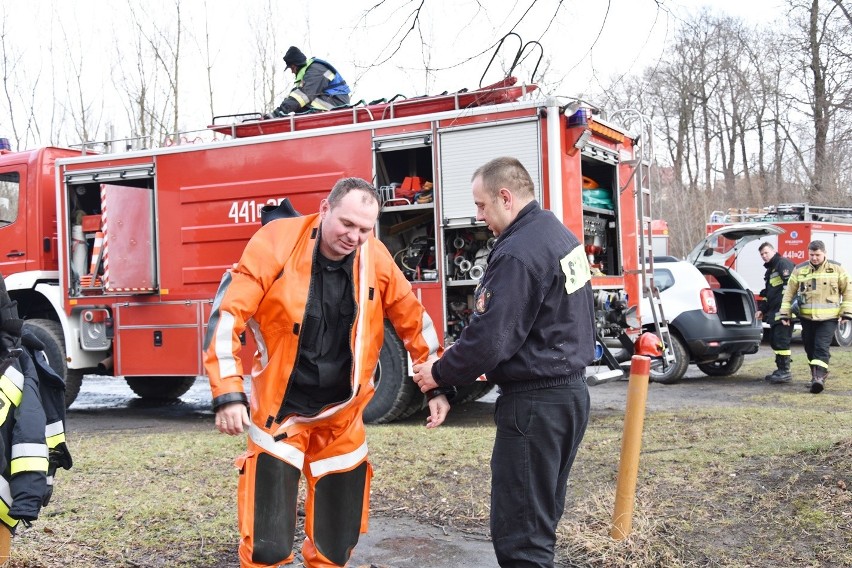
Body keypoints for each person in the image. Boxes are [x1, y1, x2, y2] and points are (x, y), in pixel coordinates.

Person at [203, 177, 449, 568]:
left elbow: (413, 320)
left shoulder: (377, 259)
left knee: (335, 547)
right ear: (324, 209)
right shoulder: (276, 243)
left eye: (365, 229)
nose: (354, 236)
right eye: (347, 224)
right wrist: (228, 394)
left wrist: (434, 382)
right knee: (267, 546)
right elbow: (227, 315)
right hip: (279, 414)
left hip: (342, 418)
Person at [412, 157, 595, 567]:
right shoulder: (561, 237)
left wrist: (437, 373)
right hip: (568, 397)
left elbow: (490, 340)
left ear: (505, 197)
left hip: (534, 405)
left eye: (481, 206)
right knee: (539, 520)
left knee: (521, 535)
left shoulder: (517, 253)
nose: (479, 217)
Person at [779, 240, 852, 393]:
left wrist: (846, 313)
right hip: (807, 318)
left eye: (817, 255)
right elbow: (788, 293)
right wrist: (785, 314)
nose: (814, 258)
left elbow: (848, 291)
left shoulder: (837, 268)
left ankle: (819, 378)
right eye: (811, 255)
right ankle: (815, 376)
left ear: (824, 253)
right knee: (810, 348)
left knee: (821, 346)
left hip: (829, 318)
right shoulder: (800, 269)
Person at [266, 46, 351, 118]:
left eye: (292, 68)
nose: (292, 72)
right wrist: (279, 110)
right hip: (332, 100)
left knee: (301, 103)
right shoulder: (310, 73)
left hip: (337, 103)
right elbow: (294, 96)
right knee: (297, 104)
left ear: (297, 65)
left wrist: (277, 114)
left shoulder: (316, 71)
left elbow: (302, 96)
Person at [756, 242, 795, 383]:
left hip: (783, 312)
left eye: (766, 253)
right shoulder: (770, 270)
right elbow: (769, 293)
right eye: (761, 254)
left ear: (773, 251)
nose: (764, 256)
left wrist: (786, 312)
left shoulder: (782, 263)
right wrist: (761, 309)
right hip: (774, 311)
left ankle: (785, 371)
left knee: (781, 341)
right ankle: (780, 369)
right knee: (775, 340)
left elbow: (791, 288)